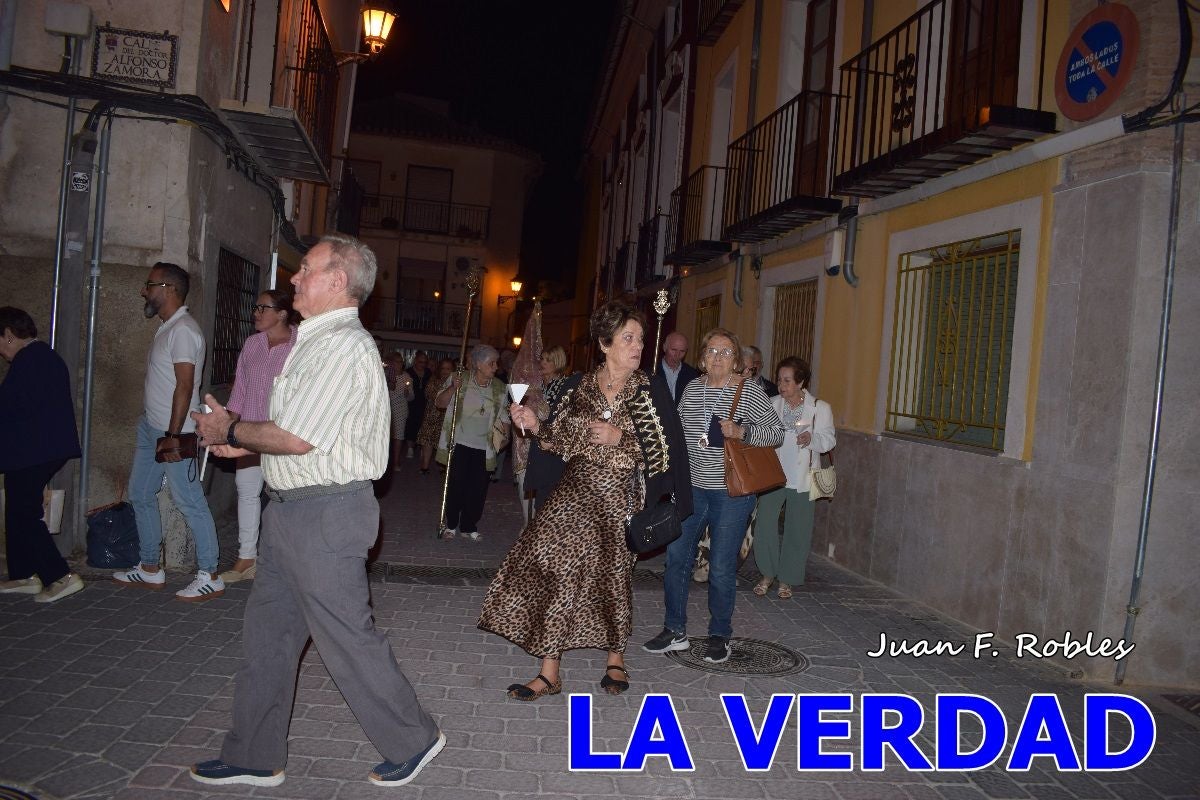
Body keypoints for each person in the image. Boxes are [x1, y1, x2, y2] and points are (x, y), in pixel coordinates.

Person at [188, 234, 443, 789]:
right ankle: (254, 754)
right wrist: (243, 445)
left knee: (346, 637)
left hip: (326, 514)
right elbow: (300, 433)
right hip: (291, 511)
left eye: (306, 269)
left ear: (337, 280)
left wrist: (231, 429)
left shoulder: (344, 345)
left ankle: (414, 738)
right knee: (267, 638)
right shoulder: (313, 340)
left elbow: (297, 437)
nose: (294, 278)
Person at [480, 302, 691, 700]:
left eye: (640, 339)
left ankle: (616, 657)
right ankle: (549, 672)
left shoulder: (649, 390)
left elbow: (666, 452)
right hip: (574, 493)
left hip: (619, 496)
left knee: (612, 576)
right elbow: (559, 438)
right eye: (628, 338)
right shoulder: (579, 386)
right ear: (605, 344)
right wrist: (534, 425)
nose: (638, 346)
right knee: (556, 569)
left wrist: (621, 439)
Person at [643, 327, 784, 664]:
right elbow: (675, 433)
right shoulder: (693, 389)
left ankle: (720, 635)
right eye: (711, 351)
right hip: (692, 489)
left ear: (735, 360)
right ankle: (674, 630)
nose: (718, 357)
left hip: (731, 493)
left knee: (720, 566)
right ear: (703, 359)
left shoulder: (749, 391)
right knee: (677, 558)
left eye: (725, 352)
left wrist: (742, 431)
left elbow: (776, 432)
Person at [113, 262, 223, 601]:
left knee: (189, 501)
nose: (143, 291)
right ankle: (149, 567)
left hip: (175, 432)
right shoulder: (168, 327)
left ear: (169, 289)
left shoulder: (184, 330)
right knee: (140, 493)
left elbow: (185, 386)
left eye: (149, 284)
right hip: (151, 428)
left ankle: (210, 574)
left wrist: (173, 435)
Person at [0, 307, 84, 603]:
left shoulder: (30, 359)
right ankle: (23, 574)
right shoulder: (42, 357)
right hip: (36, 449)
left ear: (9, 334)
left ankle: (60, 576)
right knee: (17, 508)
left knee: (24, 513)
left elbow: (10, 405)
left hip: (34, 450)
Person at [219, 290, 297, 584]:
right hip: (249, 432)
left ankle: (283, 561)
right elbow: (240, 389)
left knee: (285, 497)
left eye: (263, 308)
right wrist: (227, 429)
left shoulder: (301, 344)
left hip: (282, 435)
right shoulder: (252, 344)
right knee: (247, 491)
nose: (256, 313)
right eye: (256, 307)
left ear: (282, 313)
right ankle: (247, 557)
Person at [753, 356, 836, 598]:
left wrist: (812, 439)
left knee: (797, 529)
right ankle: (767, 573)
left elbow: (829, 440)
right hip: (774, 475)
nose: (781, 385)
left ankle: (786, 579)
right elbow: (761, 434)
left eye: (787, 381)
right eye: (779, 380)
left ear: (800, 382)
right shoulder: (772, 404)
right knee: (764, 524)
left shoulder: (820, 408)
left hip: (803, 477)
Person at [435, 345, 509, 540]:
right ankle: (451, 524)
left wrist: (506, 435)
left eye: (496, 363)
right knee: (456, 485)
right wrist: (453, 387)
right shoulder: (459, 378)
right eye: (491, 363)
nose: (496, 367)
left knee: (478, 489)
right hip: (459, 443)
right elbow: (439, 403)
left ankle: (469, 526)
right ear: (478, 364)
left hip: (484, 447)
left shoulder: (499, 387)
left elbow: (504, 416)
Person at [519, 345, 572, 518]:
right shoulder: (538, 384)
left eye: (548, 360)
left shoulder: (565, 385)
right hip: (535, 439)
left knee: (550, 492)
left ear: (558, 362)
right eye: (542, 359)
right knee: (537, 488)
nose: (542, 363)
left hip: (554, 445)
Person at [415, 358, 454, 475]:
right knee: (427, 441)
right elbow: (429, 394)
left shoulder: (455, 383)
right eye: (443, 368)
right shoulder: (434, 380)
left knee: (444, 441)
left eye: (448, 369)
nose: (445, 371)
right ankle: (425, 466)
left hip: (446, 416)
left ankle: (443, 466)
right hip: (432, 414)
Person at [386, 352, 415, 472]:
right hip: (387, 408)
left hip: (400, 410)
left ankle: (396, 461)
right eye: (397, 362)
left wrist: (407, 393)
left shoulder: (406, 377)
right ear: (391, 363)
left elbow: (411, 397)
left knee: (398, 436)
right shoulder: (386, 375)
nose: (400, 364)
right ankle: (385, 462)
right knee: (386, 436)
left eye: (401, 362)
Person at [655, 331, 701, 405]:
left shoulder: (692, 375)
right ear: (664, 347)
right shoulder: (652, 371)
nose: (677, 355)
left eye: (682, 351)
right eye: (673, 350)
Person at [401, 351, 432, 460]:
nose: (422, 364)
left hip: (425, 403)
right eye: (420, 362)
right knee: (411, 424)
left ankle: (422, 448)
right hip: (411, 403)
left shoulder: (428, 372)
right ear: (415, 361)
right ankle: (410, 447)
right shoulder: (408, 372)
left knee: (423, 425)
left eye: (425, 362)